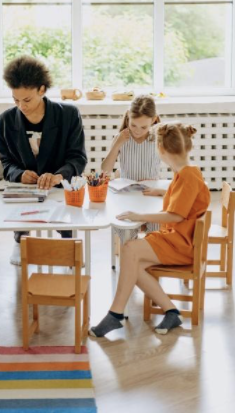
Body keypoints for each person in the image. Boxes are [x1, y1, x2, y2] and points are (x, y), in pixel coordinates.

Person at [89, 122, 210, 337]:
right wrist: (161, 193)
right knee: (132, 263)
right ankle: (172, 312)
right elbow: (186, 202)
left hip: (181, 243)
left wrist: (140, 216)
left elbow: (176, 215)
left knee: (130, 249)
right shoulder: (186, 173)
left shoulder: (188, 176)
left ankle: (115, 315)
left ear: (161, 150)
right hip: (176, 238)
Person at [0, 56, 87, 265]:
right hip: (25, 192)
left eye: (26, 100)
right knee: (21, 214)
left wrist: (58, 176)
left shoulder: (69, 115)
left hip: (60, 188)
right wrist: (20, 175)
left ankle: (69, 241)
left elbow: (78, 158)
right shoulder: (5, 120)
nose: (21, 106)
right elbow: (6, 162)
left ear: (42, 90)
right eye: (16, 100)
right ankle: (20, 240)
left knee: (67, 225)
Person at [102, 94, 164, 197]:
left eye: (143, 127)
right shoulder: (120, 138)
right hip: (126, 191)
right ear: (128, 116)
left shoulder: (158, 138)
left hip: (151, 190)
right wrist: (117, 145)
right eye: (133, 125)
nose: (137, 131)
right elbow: (105, 170)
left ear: (153, 120)